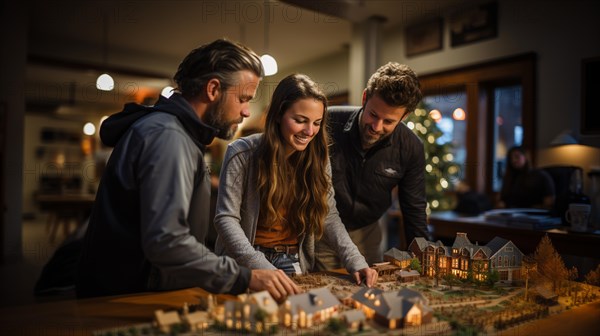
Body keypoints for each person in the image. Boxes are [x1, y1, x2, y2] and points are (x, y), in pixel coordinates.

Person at [76, 39, 301, 301]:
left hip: (138, 286)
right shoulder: (169, 136)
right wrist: (245, 276)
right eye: (243, 98)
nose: (246, 111)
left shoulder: (173, 131)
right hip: (127, 296)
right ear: (213, 89)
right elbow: (166, 241)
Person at [213, 74, 378, 287]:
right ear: (279, 114)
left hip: (292, 260)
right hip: (244, 259)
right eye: (300, 121)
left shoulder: (319, 157)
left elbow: (329, 215)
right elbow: (225, 219)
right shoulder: (242, 153)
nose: (309, 132)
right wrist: (263, 268)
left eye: (316, 123)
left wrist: (355, 260)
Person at [315, 62, 429, 270]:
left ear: (404, 117)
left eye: (388, 121)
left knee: (368, 295)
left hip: (367, 233)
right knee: (323, 295)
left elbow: (414, 210)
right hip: (322, 230)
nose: (376, 128)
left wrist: (422, 263)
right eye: (373, 115)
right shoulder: (326, 122)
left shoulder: (411, 147)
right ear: (365, 98)